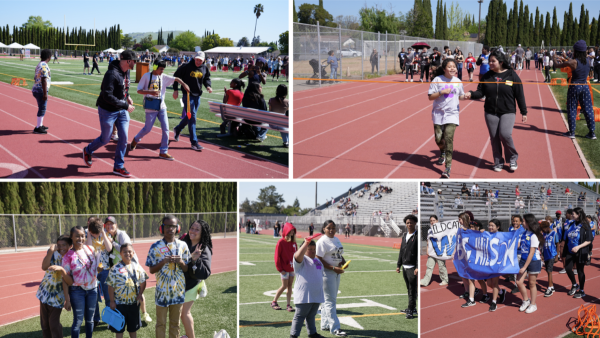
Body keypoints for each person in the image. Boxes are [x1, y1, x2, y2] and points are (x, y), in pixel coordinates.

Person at [466, 49, 527, 172]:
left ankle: (512, 159)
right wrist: (471, 94)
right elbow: (480, 92)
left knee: (505, 134)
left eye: (493, 61)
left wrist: (523, 111)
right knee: (494, 137)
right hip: (490, 111)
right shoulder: (487, 76)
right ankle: (498, 161)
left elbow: (519, 94)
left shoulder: (511, 75)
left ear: (501, 62)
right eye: (489, 61)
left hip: (508, 111)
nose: (490, 63)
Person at [83, 50, 137, 178]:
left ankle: (118, 166)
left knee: (124, 138)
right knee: (106, 139)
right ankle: (88, 150)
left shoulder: (126, 71)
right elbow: (107, 95)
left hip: (122, 110)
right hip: (108, 110)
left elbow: (123, 87)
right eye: (135, 61)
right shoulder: (111, 74)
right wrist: (125, 105)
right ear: (128, 61)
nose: (136, 63)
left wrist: (127, 96)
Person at [130, 57, 190, 161]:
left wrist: (184, 84)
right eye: (160, 69)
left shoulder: (163, 77)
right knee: (147, 129)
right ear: (155, 67)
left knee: (166, 129)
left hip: (162, 107)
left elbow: (176, 78)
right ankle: (136, 139)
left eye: (163, 69)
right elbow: (139, 90)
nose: (162, 71)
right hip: (150, 107)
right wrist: (150, 92)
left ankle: (163, 151)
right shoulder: (146, 76)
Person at [146, 215, 191, 338]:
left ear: (178, 228)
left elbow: (186, 268)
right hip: (162, 292)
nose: (170, 229)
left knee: (175, 324)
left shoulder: (183, 245)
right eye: (167, 226)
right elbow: (151, 269)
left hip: (178, 292)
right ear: (162, 228)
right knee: (160, 324)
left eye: (173, 226)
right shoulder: (155, 247)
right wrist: (163, 262)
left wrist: (181, 262)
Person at [103, 216, 152, 323]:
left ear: (116, 225)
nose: (109, 226)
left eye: (112, 224)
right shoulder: (107, 235)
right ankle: (119, 317)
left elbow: (127, 249)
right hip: (118, 269)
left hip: (130, 266)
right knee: (118, 293)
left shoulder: (121, 234)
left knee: (136, 289)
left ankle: (144, 313)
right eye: (107, 224)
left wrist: (113, 242)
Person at [428, 58, 467, 179]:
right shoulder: (437, 80)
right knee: (439, 139)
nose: (452, 69)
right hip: (439, 114)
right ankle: (442, 152)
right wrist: (441, 92)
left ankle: (448, 168)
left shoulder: (458, 81)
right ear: (444, 68)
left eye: (454, 67)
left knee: (449, 138)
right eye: (449, 67)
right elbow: (430, 97)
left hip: (452, 114)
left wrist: (464, 97)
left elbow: (460, 96)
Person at [62, 226, 102, 338]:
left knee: (90, 320)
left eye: (82, 236)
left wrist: (99, 268)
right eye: (77, 236)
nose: (80, 238)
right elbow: (65, 280)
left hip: (93, 290)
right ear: (72, 237)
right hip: (76, 291)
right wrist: (67, 300)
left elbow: (97, 266)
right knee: (78, 321)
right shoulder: (68, 256)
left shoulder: (91, 249)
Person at [552, 40, 597, 140]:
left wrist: (554, 58)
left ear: (576, 51)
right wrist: (565, 57)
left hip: (574, 86)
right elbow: (571, 60)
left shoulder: (573, 62)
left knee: (572, 108)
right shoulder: (588, 60)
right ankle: (592, 133)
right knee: (588, 109)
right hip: (585, 86)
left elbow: (556, 65)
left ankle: (571, 132)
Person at [172, 51, 213, 151]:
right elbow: (175, 77)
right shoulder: (186, 66)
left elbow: (207, 78)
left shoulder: (204, 68)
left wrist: (208, 86)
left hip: (197, 96)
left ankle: (177, 129)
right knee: (192, 118)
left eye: (200, 60)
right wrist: (175, 90)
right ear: (194, 58)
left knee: (190, 117)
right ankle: (194, 143)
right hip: (187, 95)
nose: (198, 62)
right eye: (197, 59)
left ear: (203, 61)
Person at [106, 243, 148, 338]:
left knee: (133, 329)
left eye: (129, 251)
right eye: (124, 252)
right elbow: (110, 286)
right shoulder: (115, 269)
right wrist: (112, 301)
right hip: (119, 305)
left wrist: (140, 293)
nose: (127, 253)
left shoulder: (137, 267)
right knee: (119, 329)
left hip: (133, 304)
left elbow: (143, 280)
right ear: (120, 253)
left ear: (133, 253)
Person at [180, 220, 212, 338]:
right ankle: (188, 335)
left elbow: (205, 273)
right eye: (192, 228)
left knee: (185, 313)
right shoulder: (184, 241)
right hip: (181, 283)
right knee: (180, 314)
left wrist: (195, 260)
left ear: (202, 233)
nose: (193, 231)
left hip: (192, 284)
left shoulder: (204, 248)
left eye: (197, 229)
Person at [290, 238, 326, 338]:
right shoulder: (302, 260)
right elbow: (297, 256)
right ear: (304, 249)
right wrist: (306, 243)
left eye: (314, 249)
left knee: (311, 316)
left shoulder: (317, 260)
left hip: (316, 294)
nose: (313, 251)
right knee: (300, 316)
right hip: (304, 294)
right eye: (310, 249)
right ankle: (293, 335)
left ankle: (312, 333)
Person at [37, 235, 72, 338]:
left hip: (57, 296)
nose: (61, 248)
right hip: (44, 293)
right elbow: (44, 267)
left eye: (64, 245)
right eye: (59, 245)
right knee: (45, 324)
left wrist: (67, 300)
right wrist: (51, 252)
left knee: (53, 324)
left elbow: (69, 282)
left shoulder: (71, 258)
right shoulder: (53, 253)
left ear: (70, 246)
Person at [317, 221, 347, 336]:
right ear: (324, 229)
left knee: (327, 300)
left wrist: (343, 262)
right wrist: (333, 267)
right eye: (329, 228)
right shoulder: (322, 241)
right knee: (330, 301)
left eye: (333, 228)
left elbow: (339, 253)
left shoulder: (336, 239)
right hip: (327, 273)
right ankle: (335, 328)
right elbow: (318, 258)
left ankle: (325, 324)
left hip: (336, 272)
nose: (331, 230)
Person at [85, 219, 113, 327]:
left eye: (97, 233)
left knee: (108, 296)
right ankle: (96, 319)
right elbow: (88, 249)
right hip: (92, 271)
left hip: (105, 270)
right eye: (93, 234)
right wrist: (89, 234)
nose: (96, 236)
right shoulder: (88, 235)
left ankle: (110, 318)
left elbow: (109, 248)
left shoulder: (105, 234)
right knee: (94, 296)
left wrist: (103, 234)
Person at [515, 214, 544, 314]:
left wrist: (524, 267)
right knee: (518, 282)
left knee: (531, 283)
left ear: (528, 222)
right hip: (523, 260)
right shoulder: (523, 233)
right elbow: (518, 245)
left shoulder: (534, 235)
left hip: (533, 261)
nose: (522, 223)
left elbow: (531, 253)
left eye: (523, 221)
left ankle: (533, 304)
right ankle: (526, 300)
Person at [565, 207, 593, 299]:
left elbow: (589, 240)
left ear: (579, 215)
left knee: (580, 271)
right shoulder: (571, 224)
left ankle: (581, 290)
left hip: (580, 251)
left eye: (573, 214)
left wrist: (578, 247)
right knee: (568, 268)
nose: (571, 215)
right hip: (570, 251)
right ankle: (574, 284)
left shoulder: (585, 225)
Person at [272, 222, 297, 312]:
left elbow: (296, 254)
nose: (292, 232)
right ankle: (274, 301)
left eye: (293, 231)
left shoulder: (294, 242)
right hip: (284, 269)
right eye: (290, 230)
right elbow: (276, 256)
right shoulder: (281, 242)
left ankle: (288, 305)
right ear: (286, 231)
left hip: (292, 268)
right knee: (284, 285)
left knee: (290, 286)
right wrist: (280, 269)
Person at [397, 215, 418, 319]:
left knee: (412, 289)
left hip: (412, 267)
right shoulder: (405, 235)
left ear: (415, 223)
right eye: (408, 223)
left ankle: (410, 309)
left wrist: (417, 267)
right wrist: (398, 265)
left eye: (411, 222)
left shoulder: (417, 236)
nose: (409, 224)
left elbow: (418, 253)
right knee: (409, 288)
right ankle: (413, 307)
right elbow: (401, 251)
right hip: (405, 266)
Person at [421, 215, 448, 287]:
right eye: (431, 221)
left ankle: (445, 280)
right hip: (431, 251)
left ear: (437, 221)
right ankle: (425, 281)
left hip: (439, 252)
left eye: (434, 220)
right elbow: (428, 241)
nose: (432, 222)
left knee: (441, 266)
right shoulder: (429, 230)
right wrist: (427, 250)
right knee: (429, 267)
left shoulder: (442, 229)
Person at [486, 219, 507, 312]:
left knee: (494, 283)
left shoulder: (501, 236)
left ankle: (494, 302)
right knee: (489, 283)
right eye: (489, 225)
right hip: (488, 263)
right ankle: (501, 292)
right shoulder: (486, 234)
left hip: (497, 263)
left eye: (492, 225)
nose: (490, 227)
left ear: (497, 227)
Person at [32, 49, 52, 135]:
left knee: (41, 107)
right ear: (49, 57)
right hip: (40, 90)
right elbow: (44, 79)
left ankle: (41, 124)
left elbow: (35, 77)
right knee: (42, 108)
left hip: (36, 88)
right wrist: (44, 93)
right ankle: (38, 127)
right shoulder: (44, 65)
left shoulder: (39, 64)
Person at [540, 220, 558, 297]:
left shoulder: (554, 234)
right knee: (548, 271)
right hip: (546, 255)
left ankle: (550, 287)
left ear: (547, 227)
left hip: (552, 254)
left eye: (543, 229)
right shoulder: (544, 234)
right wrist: (542, 254)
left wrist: (557, 255)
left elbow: (557, 244)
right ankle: (552, 286)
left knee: (549, 271)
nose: (542, 230)